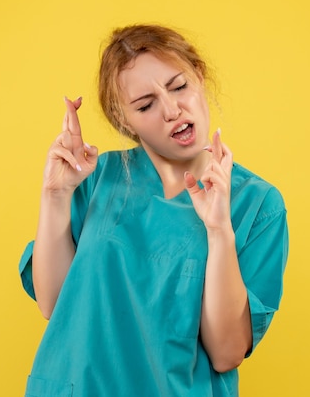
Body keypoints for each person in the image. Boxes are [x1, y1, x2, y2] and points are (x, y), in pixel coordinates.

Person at [18, 24, 288, 397]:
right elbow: (55, 305)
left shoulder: (257, 205)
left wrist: (218, 229)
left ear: (200, 76)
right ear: (124, 121)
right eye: (146, 105)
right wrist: (55, 194)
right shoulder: (98, 181)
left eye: (179, 86)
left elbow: (227, 353)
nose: (172, 109)